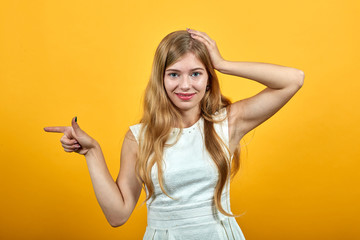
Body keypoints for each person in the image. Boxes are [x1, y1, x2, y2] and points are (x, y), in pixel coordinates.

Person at [44, 28, 304, 239]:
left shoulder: (227, 122)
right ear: (161, 79)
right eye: (174, 74)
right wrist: (92, 152)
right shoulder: (139, 137)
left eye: (196, 73)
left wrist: (223, 64)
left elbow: (293, 79)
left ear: (208, 80)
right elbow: (118, 215)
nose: (185, 85)